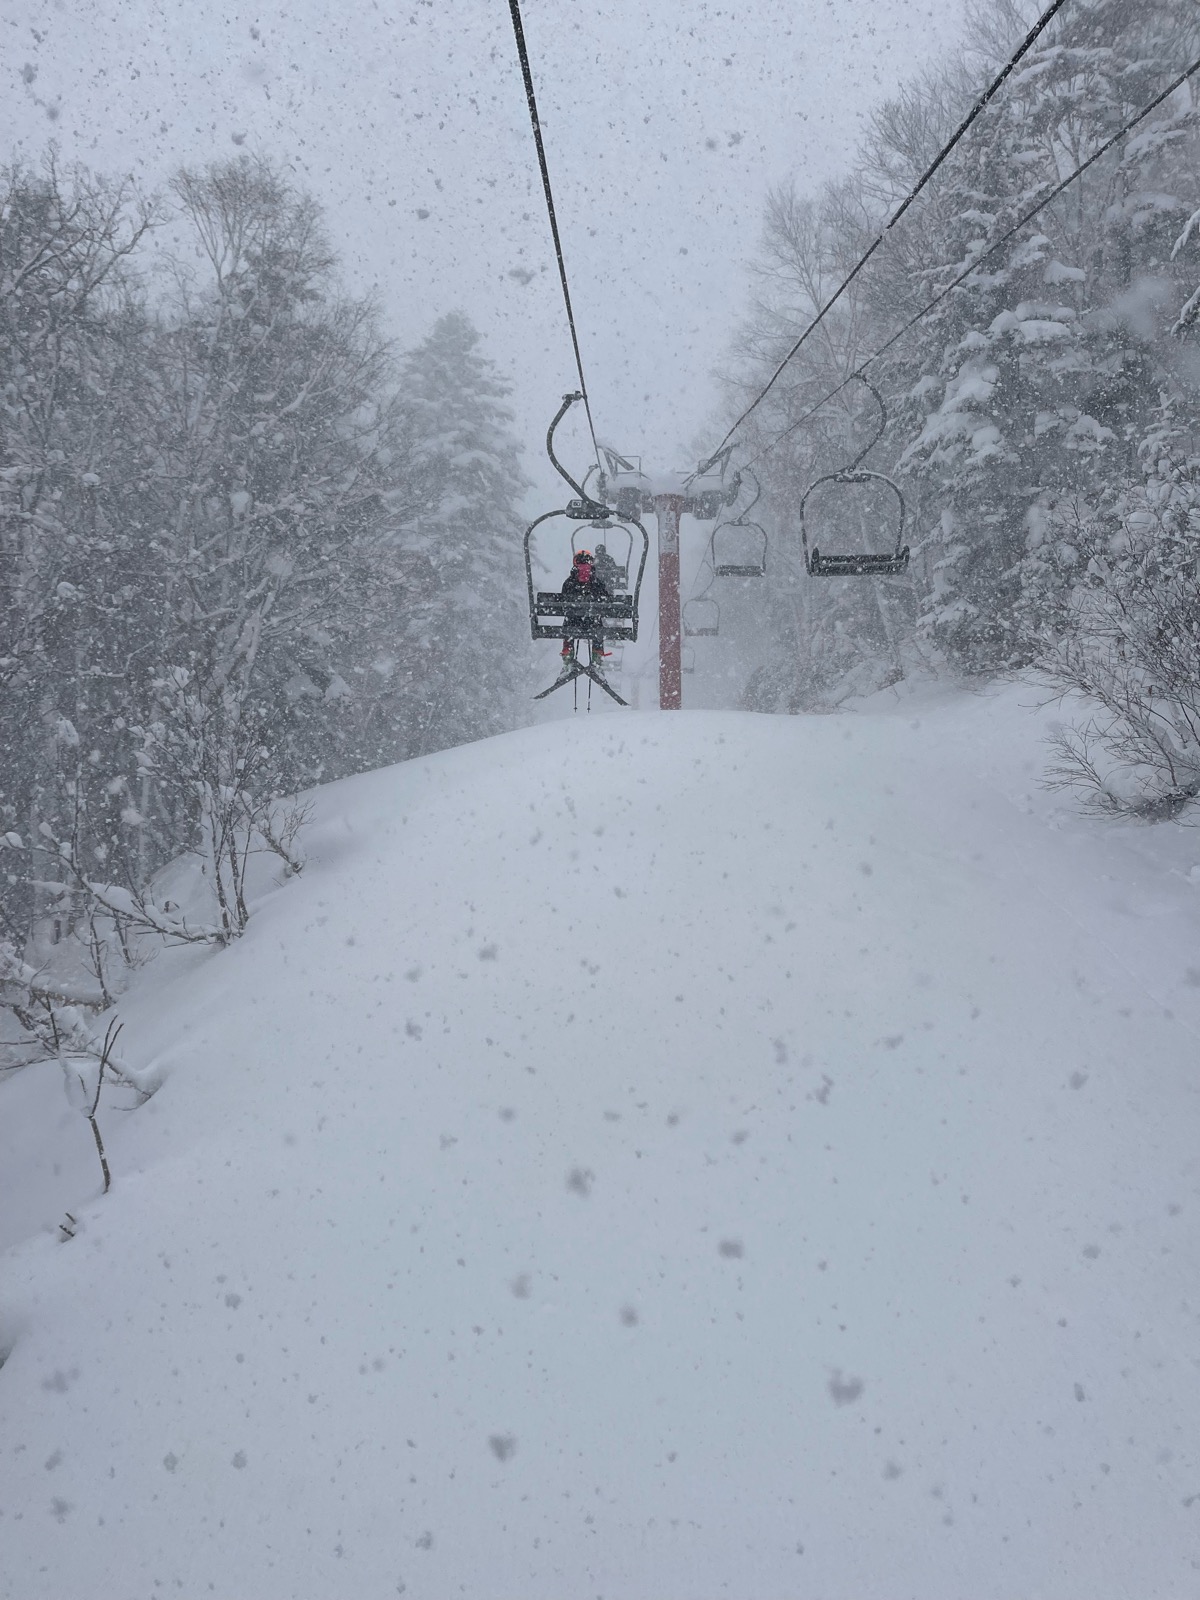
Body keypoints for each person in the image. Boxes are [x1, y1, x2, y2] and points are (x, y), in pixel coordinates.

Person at [560, 549, 611, 667]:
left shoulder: (569, 582)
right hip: (592, 623)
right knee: (598, 624)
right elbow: (606, 602)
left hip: (573, 623)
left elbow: (563, 604)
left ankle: (568, 656)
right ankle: (597, 657)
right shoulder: (597, 582)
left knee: (568, 620)